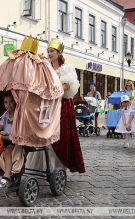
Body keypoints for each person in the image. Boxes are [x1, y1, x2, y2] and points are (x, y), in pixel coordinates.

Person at [45, 38, 85, 173]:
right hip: (48, 105)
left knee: (61, 135)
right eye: (48, 51)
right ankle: (47, 166)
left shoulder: (67, 67)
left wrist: (59, 88)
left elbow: (70, 84)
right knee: (46, 135)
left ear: (59, 53)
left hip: (62, 106)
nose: (50, 53)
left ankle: (59, 167)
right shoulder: (46, 68)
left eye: (52, 51)